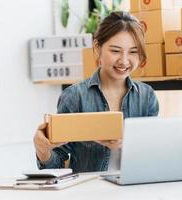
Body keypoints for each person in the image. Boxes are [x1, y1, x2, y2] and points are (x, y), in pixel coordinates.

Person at [33, 11, 159, 173]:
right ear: (97, 48)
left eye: (133, 52)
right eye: (115, 51)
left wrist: (126, 144)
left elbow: (152, 154)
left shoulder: (146, 96)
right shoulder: (75, 97)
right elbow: (56, 165)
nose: (124, 60)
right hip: (90, 192)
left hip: (135, 190)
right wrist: (42, 151)